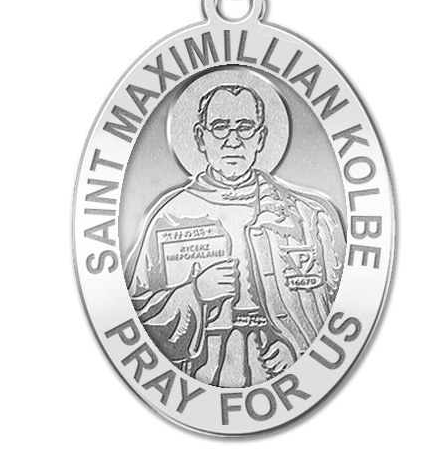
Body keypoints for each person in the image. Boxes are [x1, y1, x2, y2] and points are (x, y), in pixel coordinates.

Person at [124, 83, 346, 387]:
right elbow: (132, 314)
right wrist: (195, 292)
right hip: (202, 370)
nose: (233, 141)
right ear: (200, 137)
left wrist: (301, 348)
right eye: (219, 127)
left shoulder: (308, 216)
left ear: (261, 138)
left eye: (244, 128)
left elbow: (343, 305)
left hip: (284, 370)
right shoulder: (170, 215)